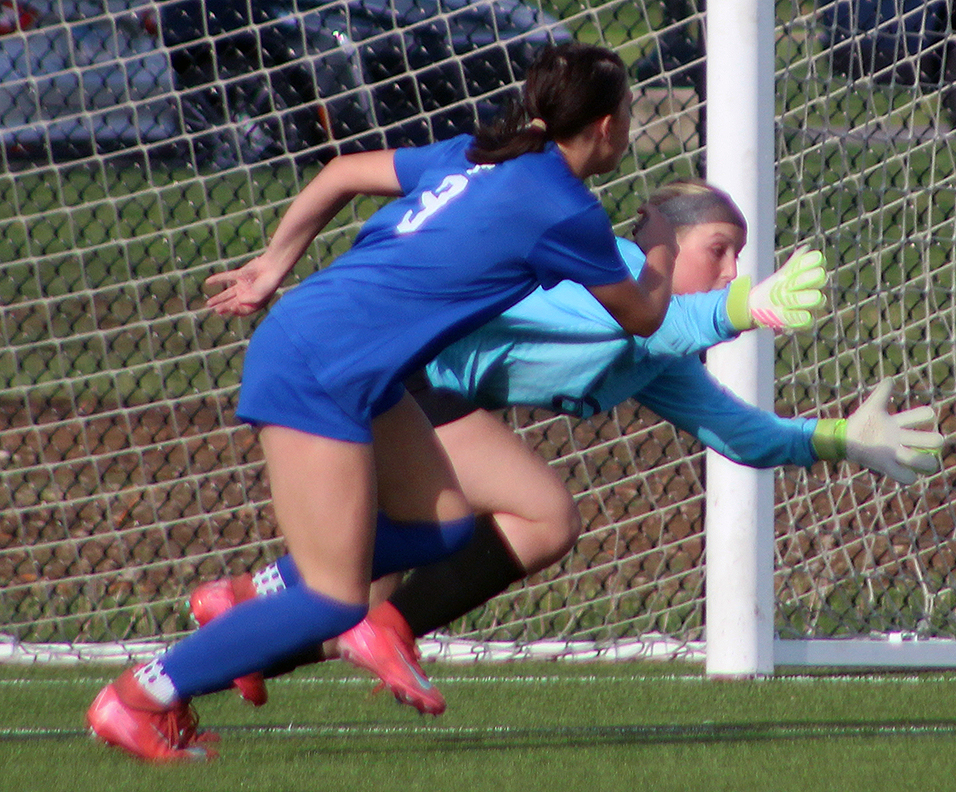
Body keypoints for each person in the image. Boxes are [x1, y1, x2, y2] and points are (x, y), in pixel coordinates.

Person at [86, 42, 682, 762]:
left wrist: (277, 261)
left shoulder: (476, 153)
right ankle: (136, 697)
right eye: (627, 109)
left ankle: (251, 596)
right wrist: (663, 244)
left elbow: (340, 171)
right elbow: (643, 315)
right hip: (324, 366)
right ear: (608, 126)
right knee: (336, 602)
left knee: (442, 528)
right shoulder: (563, 207)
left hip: (348, 357)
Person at [188, 180, 944, 716]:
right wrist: (751, 306)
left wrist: (838, 438)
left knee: (356, 591)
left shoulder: (649, 347)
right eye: (719, 250)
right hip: (397, 382)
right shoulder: (600, 265)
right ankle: (304, 617)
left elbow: (735, 430)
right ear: (661, 240)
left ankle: (239, 625)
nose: (731, 271)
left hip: (410, 399)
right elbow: (671, 323)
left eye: (740, 261)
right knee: (543, 516)